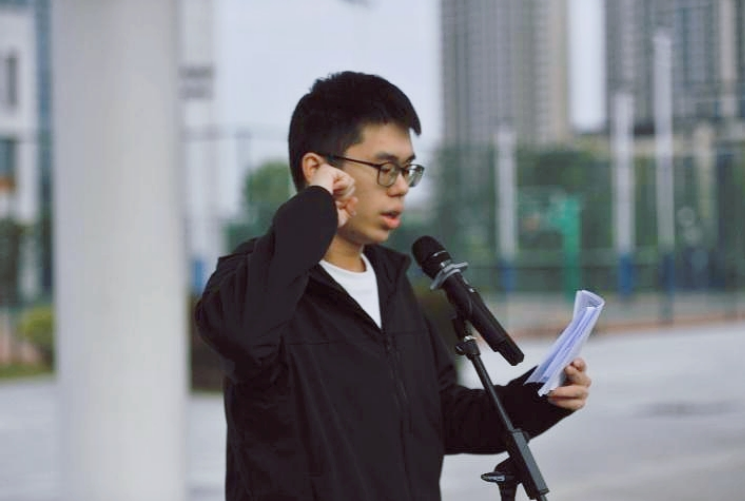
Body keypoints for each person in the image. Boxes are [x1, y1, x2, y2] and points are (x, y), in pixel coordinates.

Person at [194, 71, 591, 501]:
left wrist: (540, 396)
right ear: (317, 170)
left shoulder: (391, 283)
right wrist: (313, 209)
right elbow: (240, 335)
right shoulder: (256, 278)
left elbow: (443, 416)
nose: (401, 187)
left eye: (408, 170)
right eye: (385, 169)